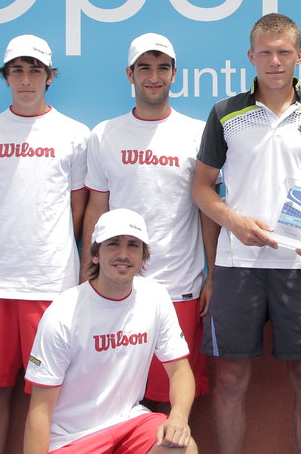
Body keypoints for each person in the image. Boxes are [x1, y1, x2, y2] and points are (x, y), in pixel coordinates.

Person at [191, 13, 301, 454]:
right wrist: (235, 222)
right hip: (237, 265)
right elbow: (201, 188)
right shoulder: (226, 113)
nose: (275, 61)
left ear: (300, 56)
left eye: (284, 52)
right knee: (230, 378)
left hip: (300, 266)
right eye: (265, 52)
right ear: (251, 56)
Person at [0, 35, 90, 454]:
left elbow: (77, 208)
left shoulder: (75, 134)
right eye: (16, 70)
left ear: (50, 76)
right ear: (5, 77)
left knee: (50, 392)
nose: (25, 79)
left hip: (49, 282)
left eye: (34, 70)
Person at [83, 33, 215, 405]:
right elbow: (96, 208)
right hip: (117, 286)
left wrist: (214, 274)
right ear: (130, 74)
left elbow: (208, 211)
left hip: (180, 286)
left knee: (173, 399)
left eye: (162, 68)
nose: (153, 77)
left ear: (175, 73)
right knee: (115, 398)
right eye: (144, 68)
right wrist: (87, 272)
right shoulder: (104, 134)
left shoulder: (197, 133)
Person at [24, 208, 197, 454]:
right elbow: (40, 409)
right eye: (113, 244)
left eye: (133, 245)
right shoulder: (63, 312)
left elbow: (180, 370)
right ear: (96, 254)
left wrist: (178, 416)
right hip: (73, 439)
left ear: (144, 257)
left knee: (181, 448)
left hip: (130, 424)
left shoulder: (155, 297)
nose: (123, 254)